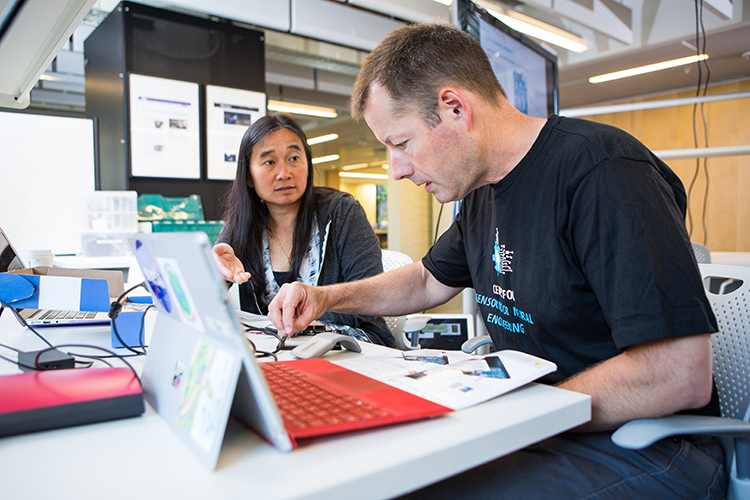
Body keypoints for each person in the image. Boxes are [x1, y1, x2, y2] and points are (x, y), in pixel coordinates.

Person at [267, 23, 727, 499]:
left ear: (455, 108)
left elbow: (677, 374)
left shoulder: (602, 171)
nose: (397, 170)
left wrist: (517, 415)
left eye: (401, 144)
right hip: (543, 430)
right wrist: (324, 298)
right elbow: (426, 281)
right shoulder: (483, 193)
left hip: (648, 448)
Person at [213, 113, 394, 347]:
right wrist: (214, 273)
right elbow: (204, 299)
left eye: (294, 158)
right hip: (277, 352)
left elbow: (372, 297)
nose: (285, 173)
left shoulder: (342, 212)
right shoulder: (241, 224)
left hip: (350, 346)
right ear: (248, 175)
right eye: (269, 162)